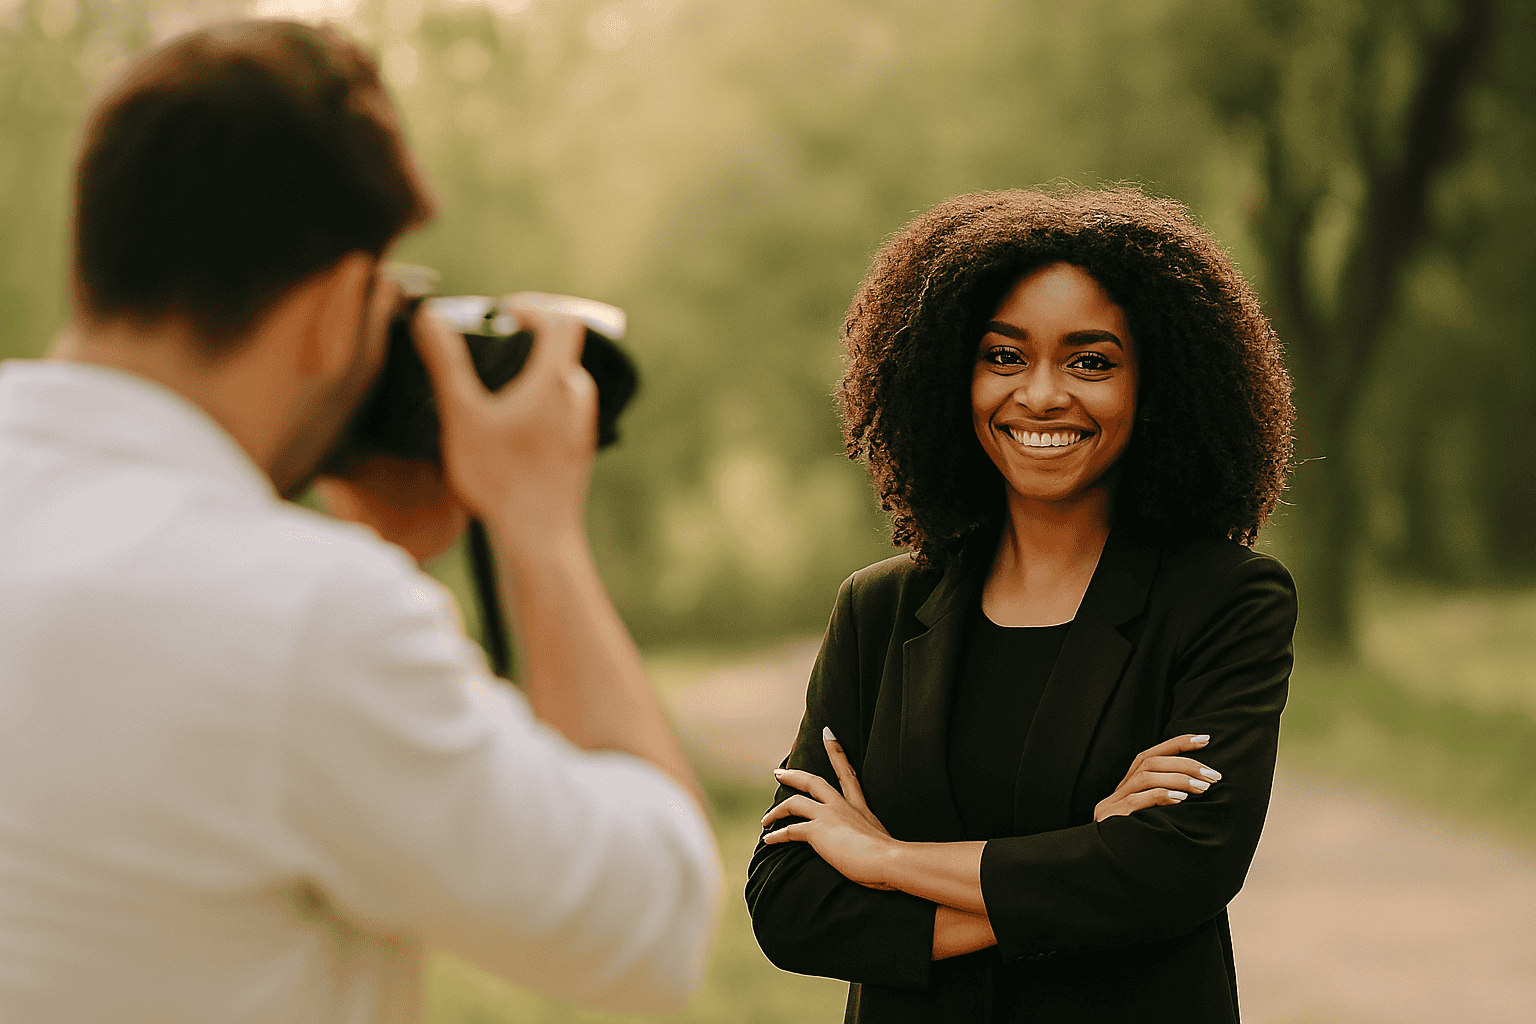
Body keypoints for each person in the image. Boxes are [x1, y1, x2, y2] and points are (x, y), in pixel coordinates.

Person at [0, 19, 720, 1023]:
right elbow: (649, 924)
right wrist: (537, 534)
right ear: (340, 305)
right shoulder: (306, 622)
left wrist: (362, 551)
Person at [745, 187, 1297, 1023]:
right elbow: (790, 905)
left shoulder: (1224, 601)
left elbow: (1177, 872)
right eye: (1004, 357)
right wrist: (1083, 864)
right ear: (949, 375)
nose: (1040, 395)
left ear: (1157, 387)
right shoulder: (879, 611)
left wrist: (884, 859)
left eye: (1091, 361)